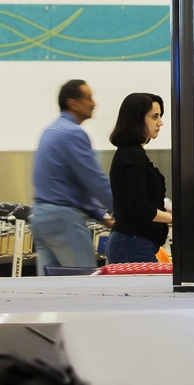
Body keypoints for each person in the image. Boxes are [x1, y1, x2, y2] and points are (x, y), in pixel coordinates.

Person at [29, 80, 114, 275]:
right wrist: (125, 212)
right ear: (73, 103)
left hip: (42, 218)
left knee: (50, 288)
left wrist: (100, 215)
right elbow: (95, 181)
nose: (94, 103)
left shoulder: (50, 131)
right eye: (89, 98)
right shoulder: (73, 133)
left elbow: (70, 184)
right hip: (63, 220)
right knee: (83, 285)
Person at [106, 93, 170, 264]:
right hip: (133, 242)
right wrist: (177, 218)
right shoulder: (132, 155)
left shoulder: (133, 153)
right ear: (137, 120)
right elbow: (139, 207)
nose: (160, 123)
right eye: (154, 116)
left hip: (135, 242)